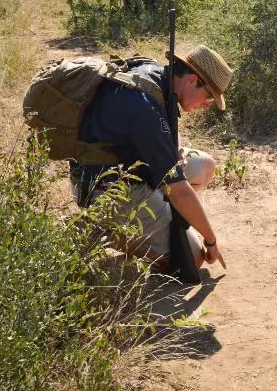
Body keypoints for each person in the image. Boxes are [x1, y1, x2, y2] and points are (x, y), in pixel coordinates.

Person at [70, 45, 232, 272]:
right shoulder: (145, 106)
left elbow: (167, 130)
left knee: (204, 166)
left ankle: (158, 220)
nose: (206, 106)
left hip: (129, 171)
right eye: (208, 97)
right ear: (192, 80)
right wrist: (210, 239)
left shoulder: (154, 77)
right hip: (108, 190)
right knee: (191, 260)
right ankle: (102, 227)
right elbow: (179, 191)